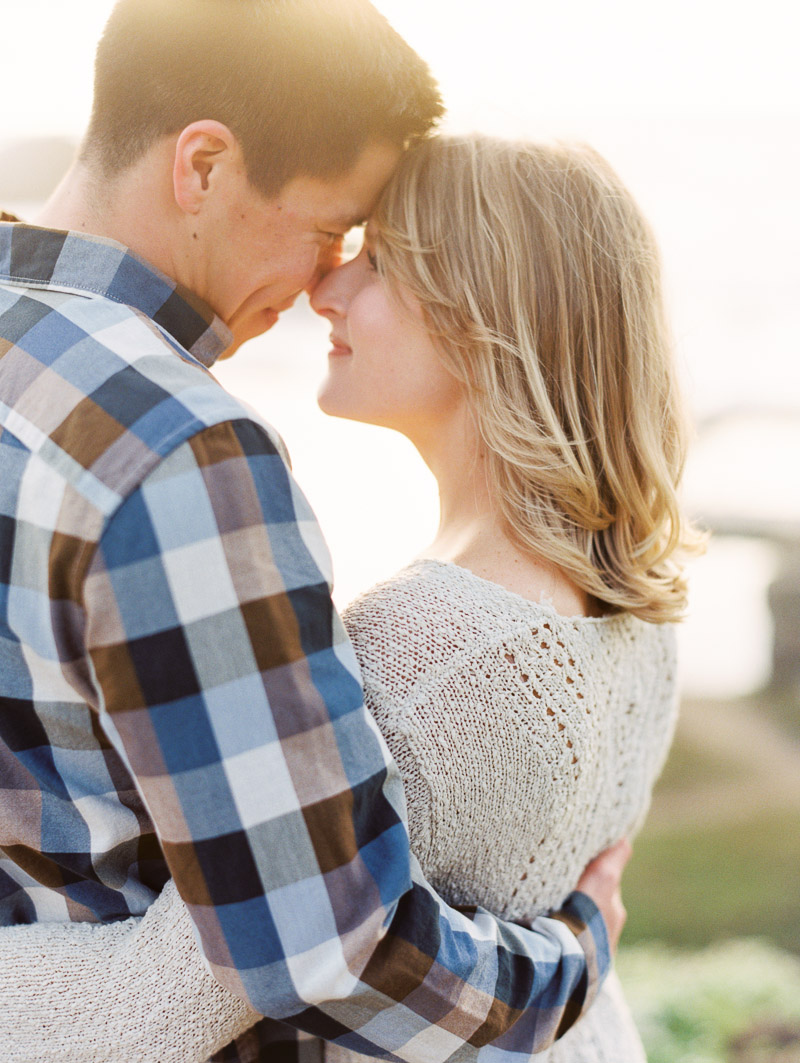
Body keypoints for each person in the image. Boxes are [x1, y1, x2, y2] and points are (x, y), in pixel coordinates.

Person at [0, 1, 628, 1060]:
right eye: (328, 230)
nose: (317, 288)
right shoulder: (173, 447)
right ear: (201, 164)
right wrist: (574, 956)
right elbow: (322, 951)